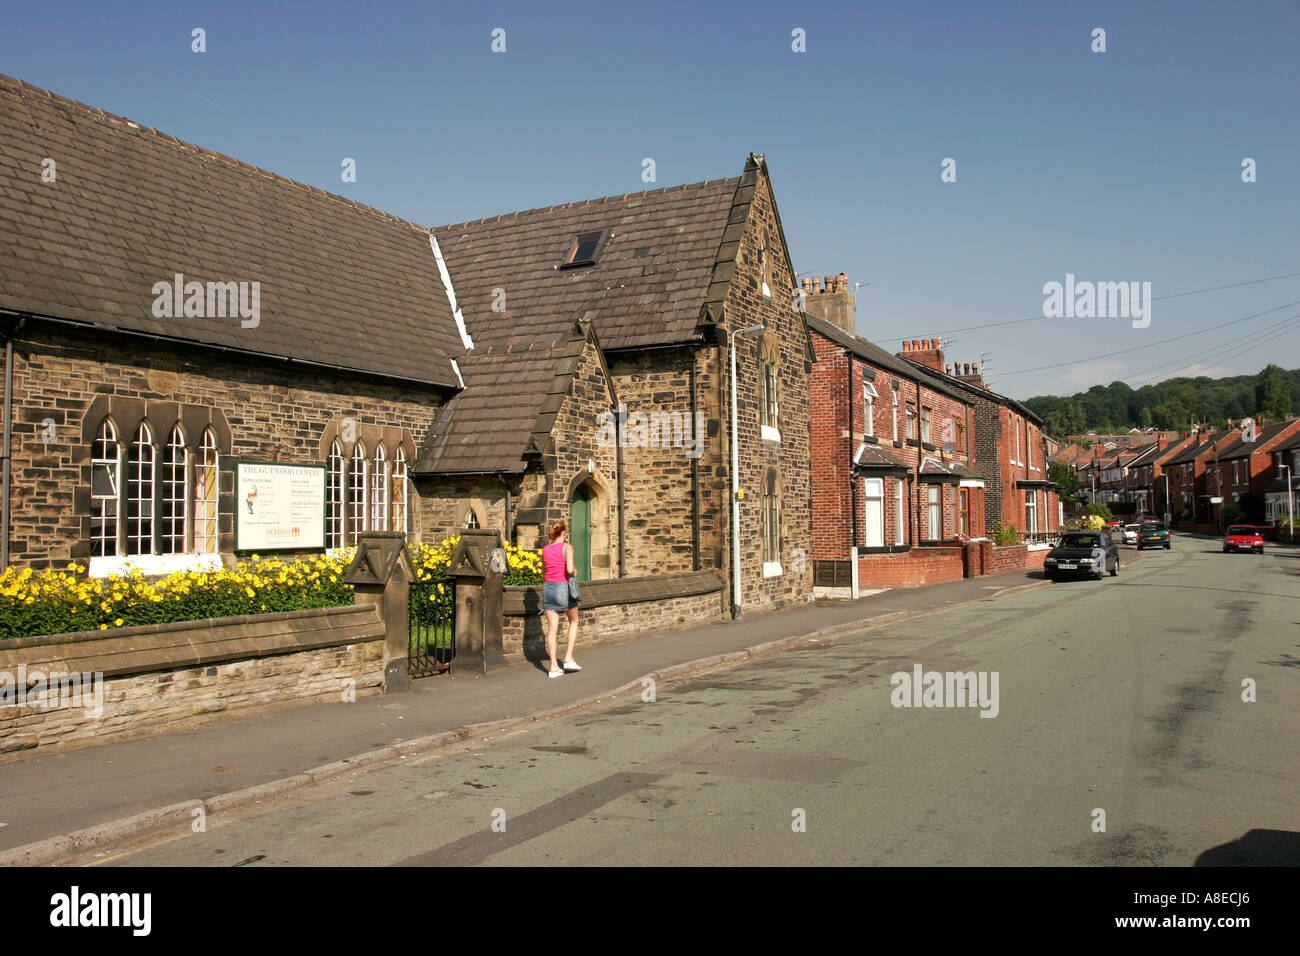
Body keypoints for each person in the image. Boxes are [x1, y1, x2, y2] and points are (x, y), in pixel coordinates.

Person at [541, 521, 580, 678]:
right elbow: (569, 570)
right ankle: (569, 658)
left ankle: (553, 667)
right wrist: (575, 571)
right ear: (564, 533)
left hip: (548, 588)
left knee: (552, 629)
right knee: (574, 620)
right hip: (562, 588)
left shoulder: (545, 549)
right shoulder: (567, 547)